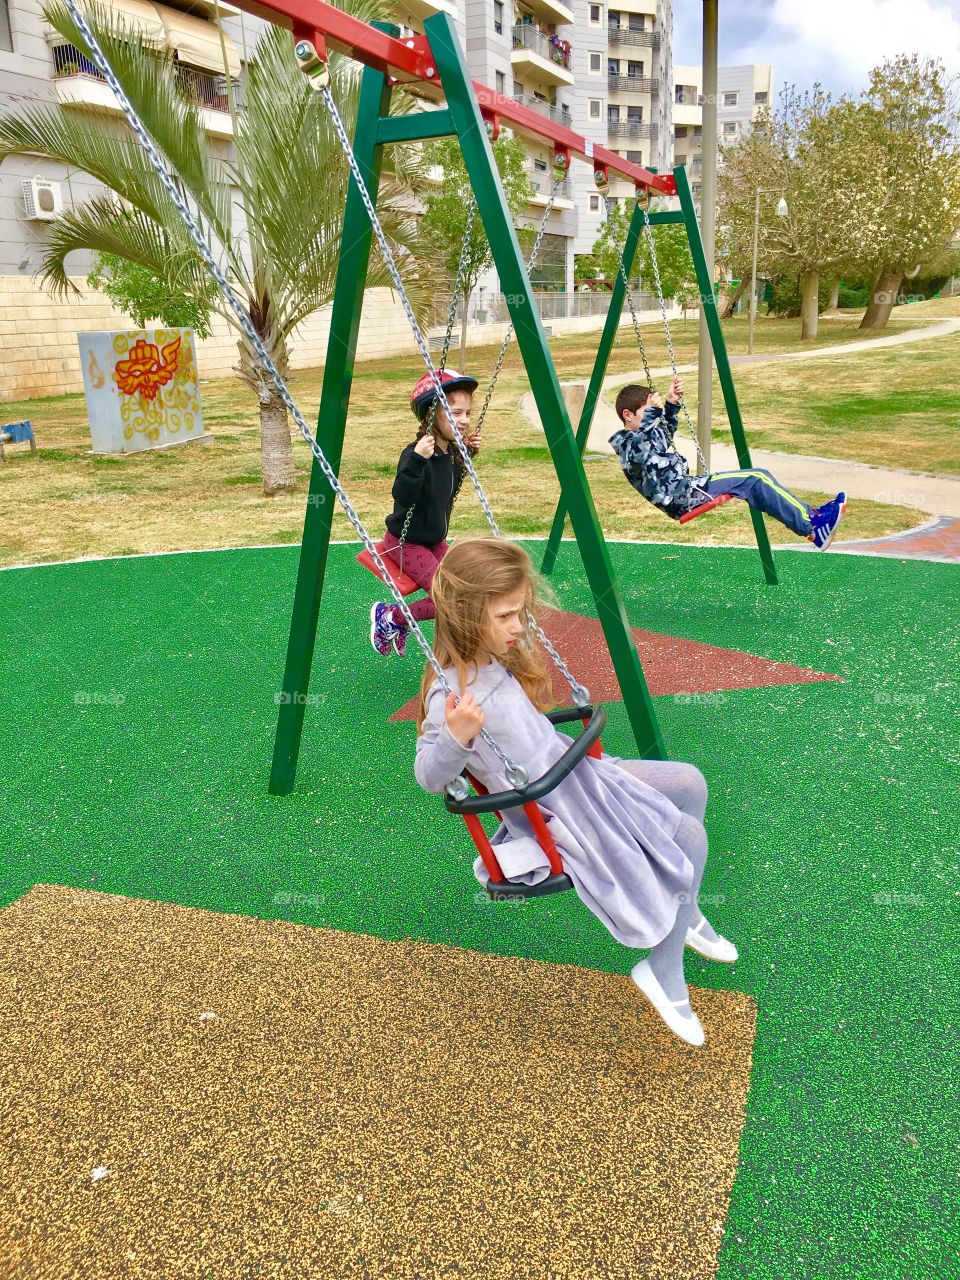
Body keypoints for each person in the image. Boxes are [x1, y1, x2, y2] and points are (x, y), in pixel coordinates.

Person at [413, 537, 739, 1048]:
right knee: (689, 837)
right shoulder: (450, 697)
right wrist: (456, 737)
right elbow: (430, 776)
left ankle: (686, 910)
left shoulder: (494, 658)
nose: (518, 626)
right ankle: (663, 969)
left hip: (579, 774)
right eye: (506, 616)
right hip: (557, 810)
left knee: (689, 782)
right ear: (465, 615)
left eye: (520, 612)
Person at [609, 377, 848, 548]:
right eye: (646, 412)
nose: (651, 417)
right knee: (755, 478)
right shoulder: (626, 445)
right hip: (681, 496)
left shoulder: (644, 435)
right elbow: (641, 452)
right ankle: (812, 527)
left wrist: (670, 405)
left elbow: (663, 435)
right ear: (627, 415)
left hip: (686, 489)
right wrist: (653, 413)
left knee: (757, 478)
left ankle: (812, 517)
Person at [369, 370, 483, 658]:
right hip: (406, 542)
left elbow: (446, 488)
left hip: (434, 541)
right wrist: (418, 460)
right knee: (449, 600)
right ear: (432, 414)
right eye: (455, 413)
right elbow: (403, 495)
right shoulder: (415, 454)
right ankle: (391, 617)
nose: (464, 420)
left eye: (467, 413)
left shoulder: (450, 453)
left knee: (468, 592)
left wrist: (467, 452)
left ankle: (401, 621)